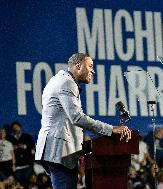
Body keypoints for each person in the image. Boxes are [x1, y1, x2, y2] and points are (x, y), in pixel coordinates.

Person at [35, 53, 131, 189]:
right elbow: (77, 118)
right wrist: (111, 129)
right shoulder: (67, 82)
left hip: (55, 151)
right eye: (90, 66)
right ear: (78, 66)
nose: (93, 70)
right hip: (59, 151)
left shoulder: (59, 79)